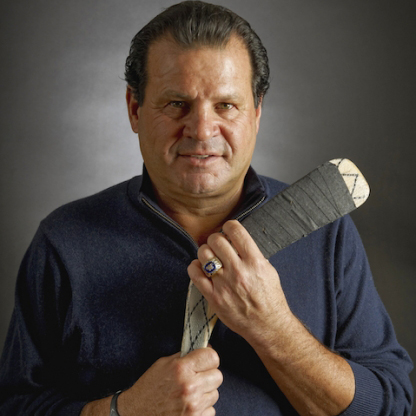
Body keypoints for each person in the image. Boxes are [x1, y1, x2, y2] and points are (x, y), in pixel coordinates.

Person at [0, 1, 413, 415]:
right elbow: (16, 405)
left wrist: (273, 328)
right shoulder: (64, 242)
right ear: (134, 109)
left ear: (256, 112)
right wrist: (122, 411)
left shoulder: (326, 232)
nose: (201, 130)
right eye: (176, 103)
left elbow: (391, 407)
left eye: (226, 105)